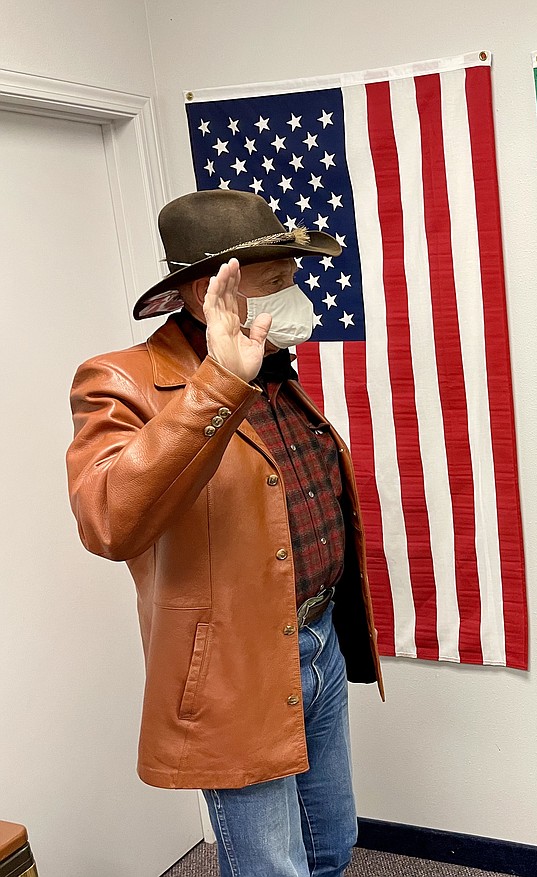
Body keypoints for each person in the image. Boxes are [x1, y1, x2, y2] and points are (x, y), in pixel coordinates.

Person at [66, 189, 383, 877]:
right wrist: (217, 384)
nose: (294, 294)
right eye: (277, 279)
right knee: (274, 867)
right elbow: (108, 519)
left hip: (318, 642)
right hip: (236, 669)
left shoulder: (271, 371)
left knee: (331, 843)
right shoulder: (123, 379)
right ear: (216, 290)